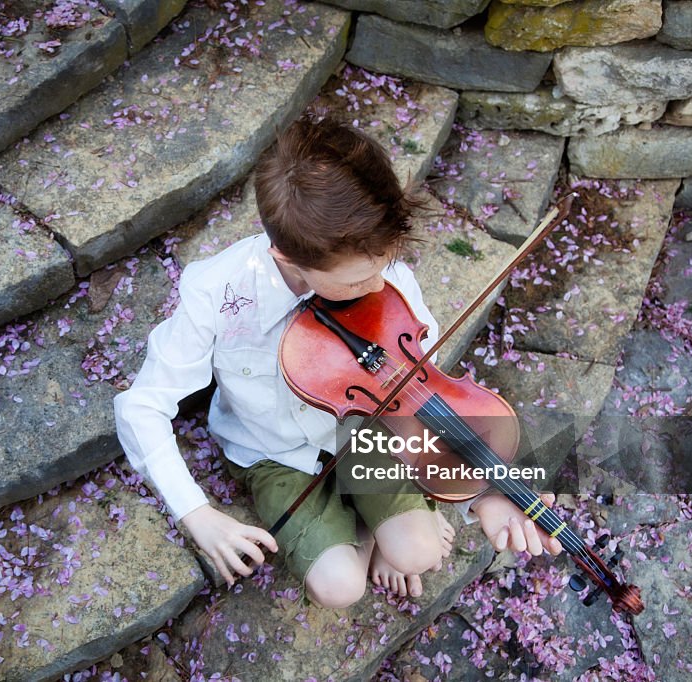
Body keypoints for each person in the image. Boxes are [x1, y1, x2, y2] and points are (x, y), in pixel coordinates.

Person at [114, 114, 562, 609]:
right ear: (288, 258)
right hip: (273, 453)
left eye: (383, 266)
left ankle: (387, 523)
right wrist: (197, 514)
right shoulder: (215, 293)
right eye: (353, 283)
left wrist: (485, 492)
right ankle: (370, 531)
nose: (376, 289)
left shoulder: (388, 287)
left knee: (418, 553)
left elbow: (421, 397)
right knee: (340, 588)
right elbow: (142, 407)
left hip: (365, 437)